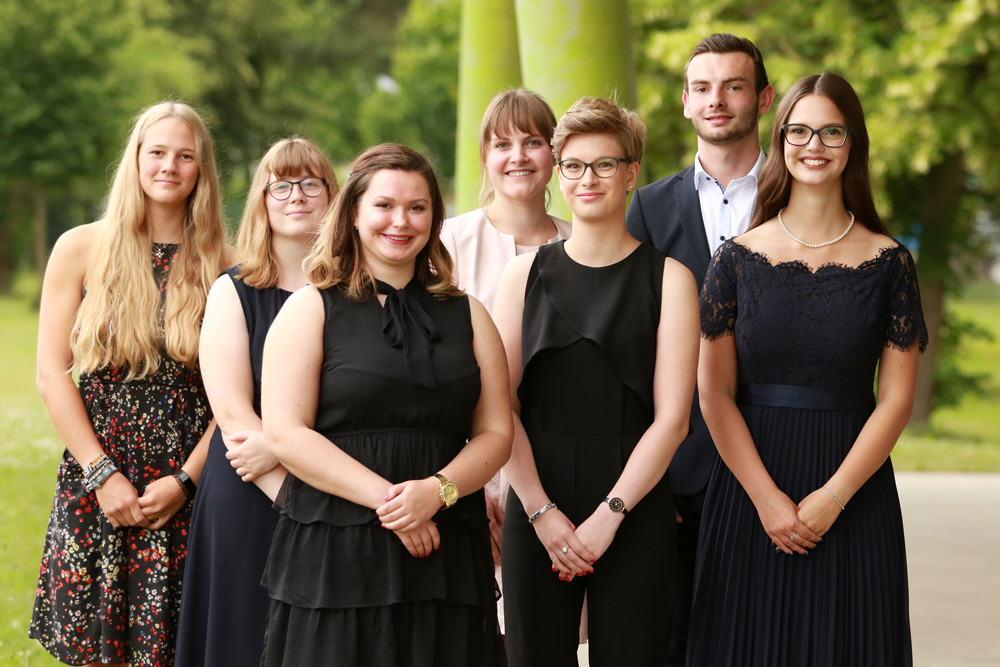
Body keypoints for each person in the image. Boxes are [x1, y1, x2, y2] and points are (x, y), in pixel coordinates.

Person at [688, 72, 926, 665]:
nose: (813, 145)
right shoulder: (735, 260)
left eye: (830, 132)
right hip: (749, 491)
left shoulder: (891, 263)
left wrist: (833, 498)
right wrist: (767, 499)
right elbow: (714, 393)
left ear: (853, 142)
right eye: (798, 131)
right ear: (780, 139)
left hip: (854, 493)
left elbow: (896, 400)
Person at [258, 143, 513, 665]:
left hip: (445, 542)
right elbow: (285, 433)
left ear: (434, 219)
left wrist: (436, 492)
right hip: (340, 544)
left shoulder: (469, 315)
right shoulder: (310, 308)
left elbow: (496, 433)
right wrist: (395, 505)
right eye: (384, 205)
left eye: (417, 207)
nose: (401, 221)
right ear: (353, 213)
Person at [494, 97, 699, 666]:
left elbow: (672, 420)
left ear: (631, 174)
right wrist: (540, 512)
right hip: (536, 501)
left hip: (635, 503)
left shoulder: (671, 280)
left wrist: (611, 514)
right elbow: (499, 409)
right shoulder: (522, 274)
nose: (588, 179)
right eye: (574, 166)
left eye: (604, 164)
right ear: (559, 175)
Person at [30, 101, 229, 666]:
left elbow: (239, 399)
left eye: (185, 155)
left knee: (180, 650)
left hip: (188, 485)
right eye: (157, 152)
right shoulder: (80, 248)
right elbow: (51, 373)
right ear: (136, 158)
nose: (169, 166)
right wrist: (101, 475)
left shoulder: (227, 264)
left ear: (201, 168)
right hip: (97, 475)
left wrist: (186, 481)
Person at [624, 34, 774, 665]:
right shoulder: (646, 208)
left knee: (772, 639)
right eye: (703, 88)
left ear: (762, 99)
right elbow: (631, 349)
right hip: (678, 471)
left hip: (781, 454)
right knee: (674, 642)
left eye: (734, 86)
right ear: (685, 101)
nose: (717, 100)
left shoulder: (801, 199)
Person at [174, 138, 338, 666]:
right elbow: (233, 416)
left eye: (310, 183)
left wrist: (316, 488)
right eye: (281, 186)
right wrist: (295, 498)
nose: (297, 196)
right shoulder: (233, 290)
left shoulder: (353, 291)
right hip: (250, 484)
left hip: (334, 484)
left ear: (334, 196)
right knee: (245, 639)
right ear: (262, 201)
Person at [440, 87, 572, 636]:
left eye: (533, 142)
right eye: (502, 144)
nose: (518, 156)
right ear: (485, 157)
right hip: (464, 474)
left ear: (554, 154)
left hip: (563, 476)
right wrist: (474, 489)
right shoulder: (448, 243)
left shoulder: (583, 242)